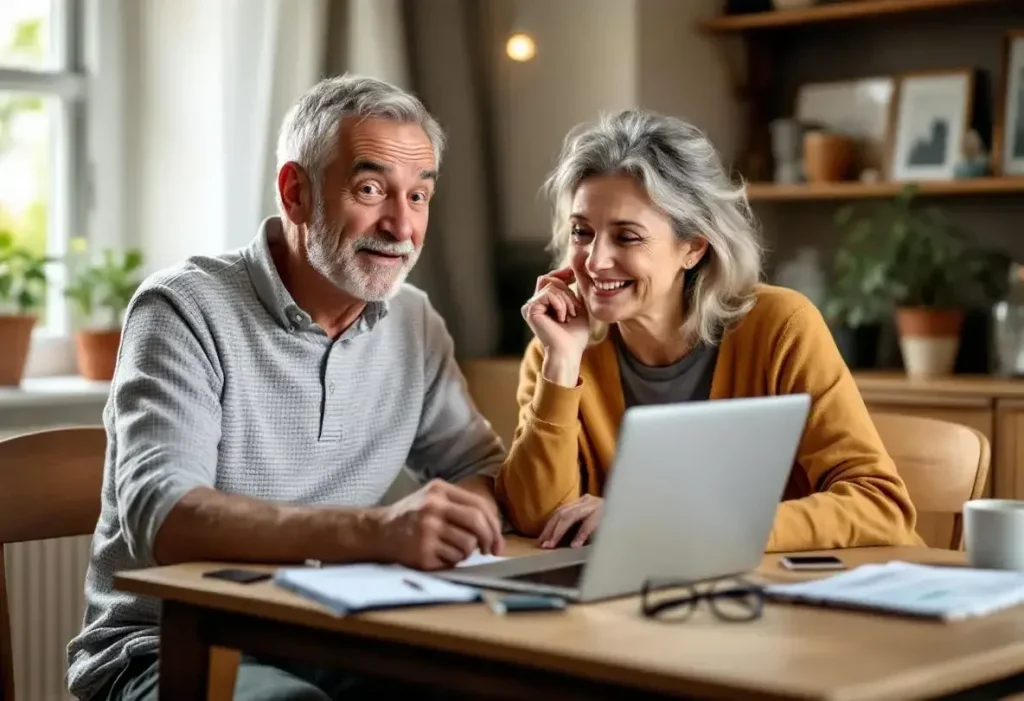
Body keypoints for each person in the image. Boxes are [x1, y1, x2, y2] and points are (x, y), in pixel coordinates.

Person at [67, 74, 506, 701]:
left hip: (335, 633)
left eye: (420, 196)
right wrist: (377, 533)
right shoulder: (184, 308)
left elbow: (481, 469)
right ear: (295, 192)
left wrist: (469, 517)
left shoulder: (414, 321)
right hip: (166, 649)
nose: (402, 225)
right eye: (371, 188)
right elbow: (161, 515)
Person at [495, 109, 921, 553]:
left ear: (693, 248)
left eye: (627, 237)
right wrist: (562, 364)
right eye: (582, 232)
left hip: (779, 603)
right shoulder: (559, 352)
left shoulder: (781, 327)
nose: (595, 260)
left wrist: (665, 522)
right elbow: (537, 517)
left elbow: (880, 504)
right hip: (641, 603)